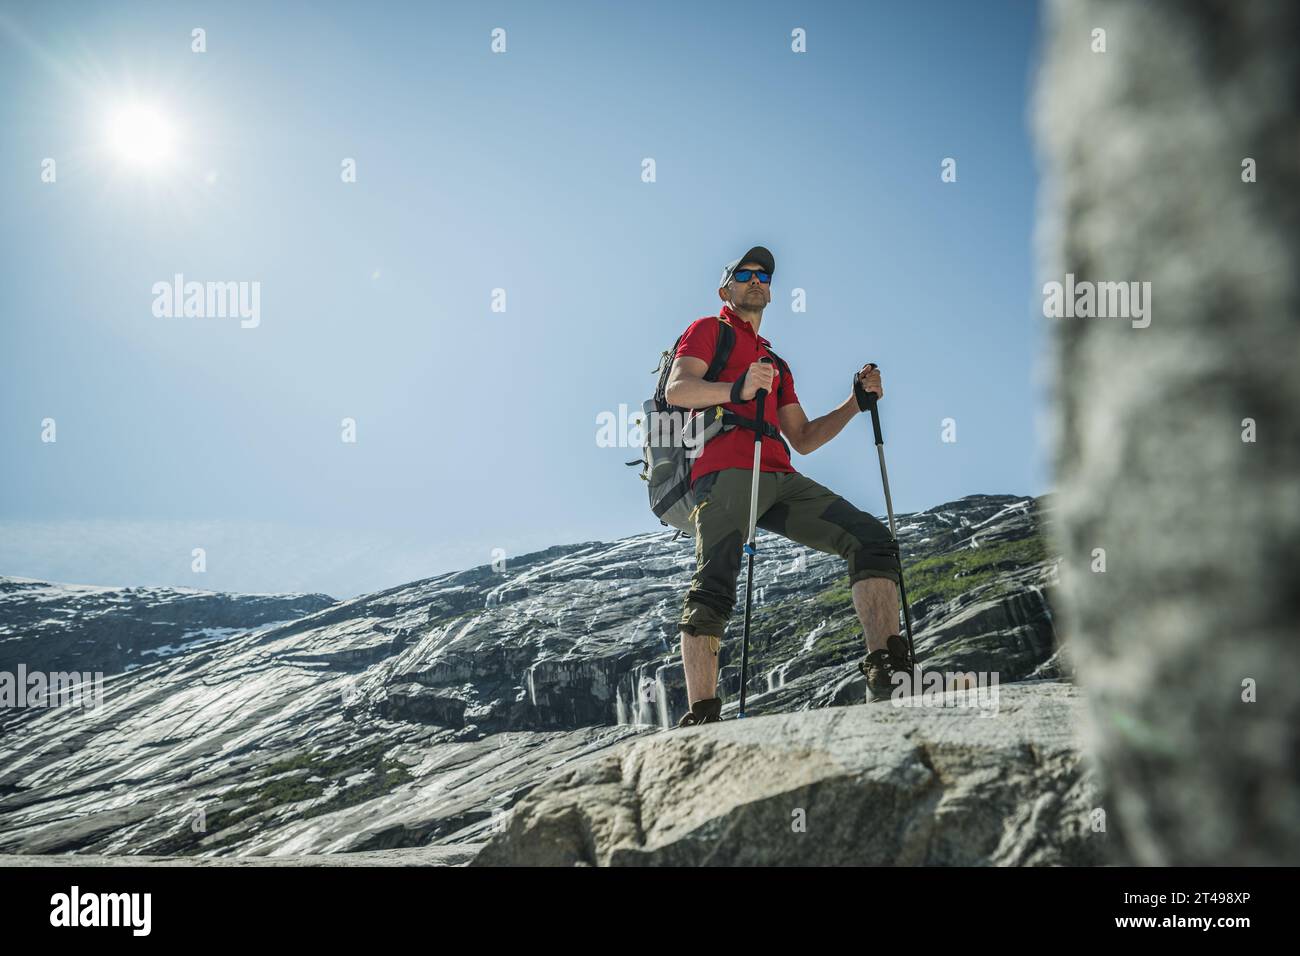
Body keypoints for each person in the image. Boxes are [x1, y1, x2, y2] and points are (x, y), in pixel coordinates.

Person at [664, 245, 910, 726]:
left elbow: (804, 438)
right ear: (726, 289)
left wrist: (855, 402)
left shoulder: (775, 361)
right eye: (745, 273)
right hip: (727, 469)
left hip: (779, 474)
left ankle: (887, 670)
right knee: (716, 580)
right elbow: (679, 390)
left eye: (764, 276)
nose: (757, 279)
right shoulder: (709, 330)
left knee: (872, 539)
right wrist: (737, 391)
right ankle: (703, 714)